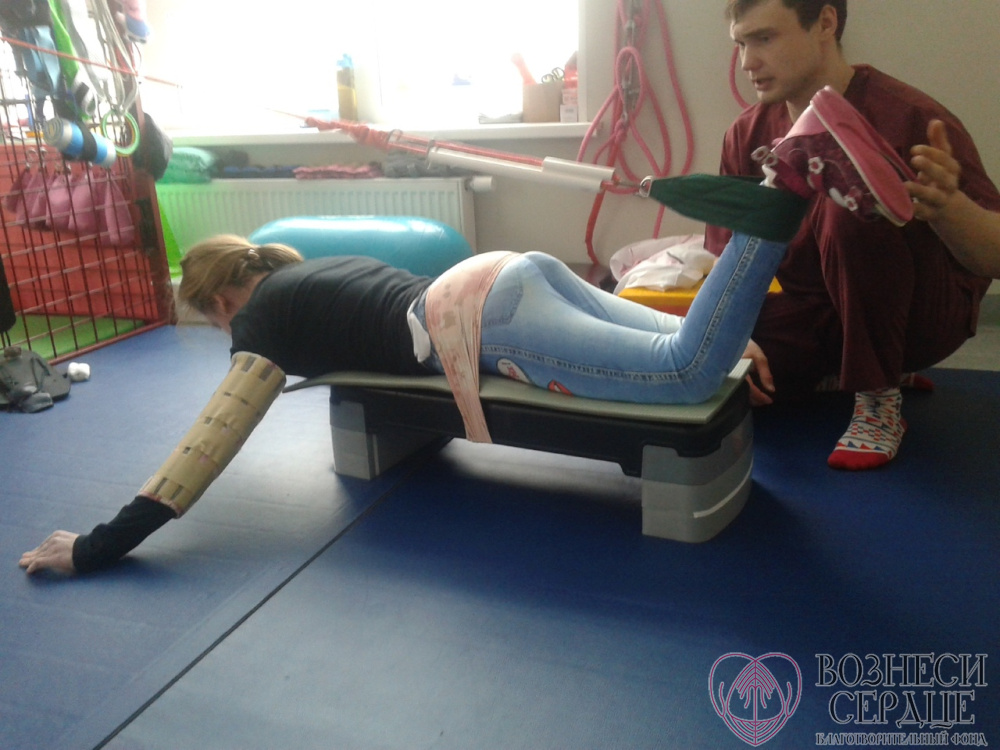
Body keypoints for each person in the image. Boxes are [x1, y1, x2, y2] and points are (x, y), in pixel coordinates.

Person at [19, 87, 910, 576]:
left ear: (225, 297)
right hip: (512, 272)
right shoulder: (318, 272)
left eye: (214, 316)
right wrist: (728, 329)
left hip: (487, 321)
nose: (224, 331)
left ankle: (789, 183)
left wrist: (96, 546)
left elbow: (208, 442)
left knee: (684, 375)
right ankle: (792, 175)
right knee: (686, 352)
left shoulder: (261, 316)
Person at [711, 0, 1000, 471]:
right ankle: (843, 370)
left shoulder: (911, 117)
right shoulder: (744, 135)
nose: (747, 62)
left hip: (919, 315)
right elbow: (727, 262)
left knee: (846, 192)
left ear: (826, 23)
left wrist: (948, 208)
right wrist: (733, 340)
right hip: (820, 314)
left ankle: (877, 394)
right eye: (741, 43)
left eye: (764, 38)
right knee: (723, 373)